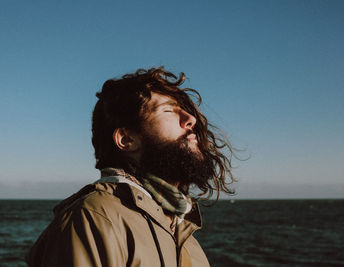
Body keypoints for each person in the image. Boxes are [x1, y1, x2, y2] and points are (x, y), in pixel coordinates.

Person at [26, 67, 235, 267]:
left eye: (186, 112)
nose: (191, 120)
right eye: (168, 110)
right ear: (127, 139)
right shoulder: (95, 218)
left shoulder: (183, 234)